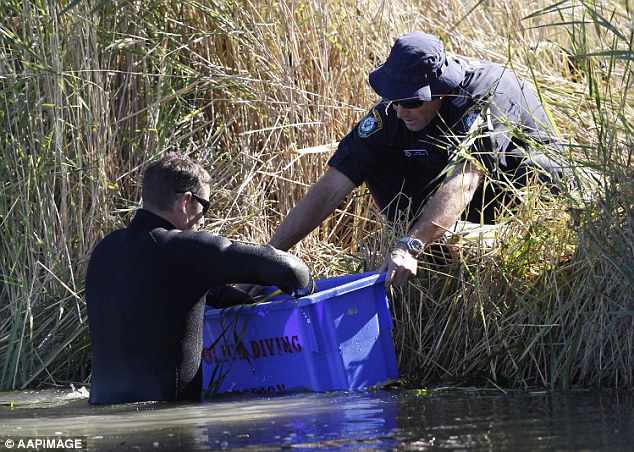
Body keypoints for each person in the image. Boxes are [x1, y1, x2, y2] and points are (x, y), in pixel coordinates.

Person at [251, 31, 571, 291]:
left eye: (410, 101)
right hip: (454, 189)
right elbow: (334, 183)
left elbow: (466, 179)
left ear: (440, 92)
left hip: (514, 192)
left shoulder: (485, 94)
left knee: (533, 166)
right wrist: (268, 258)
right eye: (393, 99)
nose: (400, 110)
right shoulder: (395, 110)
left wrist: (410, 245)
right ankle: (436, 270)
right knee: (375, 158)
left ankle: (444, 249)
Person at [85, 153, 314, 405]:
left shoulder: (105, 251)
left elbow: (165, 291)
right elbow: (288, 269)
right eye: (204, 206)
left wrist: (240, 300)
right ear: (185, 201)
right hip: (166, 419)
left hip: (102, 411)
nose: (203, 218)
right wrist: (307, 288)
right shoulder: (182, 247)